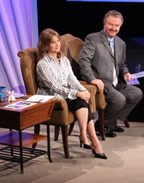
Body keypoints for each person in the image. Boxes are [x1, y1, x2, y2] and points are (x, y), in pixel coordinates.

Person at [36, 28, 107, 159]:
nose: (57, 44)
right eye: (53, 43)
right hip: (52, 97)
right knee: (80, 99)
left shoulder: (64, 60)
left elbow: (72, 79)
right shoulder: (42, 64)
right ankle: (93, 142)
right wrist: (76, 93)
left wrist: (83, 90)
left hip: (66, 94)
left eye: (58, 41)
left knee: (82, 100)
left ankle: (86, 137)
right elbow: (54, 86)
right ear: (45, 45)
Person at [78, 10, 143, 138]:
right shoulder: (93, 38)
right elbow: (83, 61)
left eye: (116, 25)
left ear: (120, 26)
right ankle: (101, 126)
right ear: (104, 23)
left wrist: (125, 73)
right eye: (110, 24)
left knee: (136, 93)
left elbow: (122, 64)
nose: (113, 28)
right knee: (119, 99)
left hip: (116, 82)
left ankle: (109, 123)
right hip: (101, 82)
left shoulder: (121, 43)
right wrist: (92, 79)